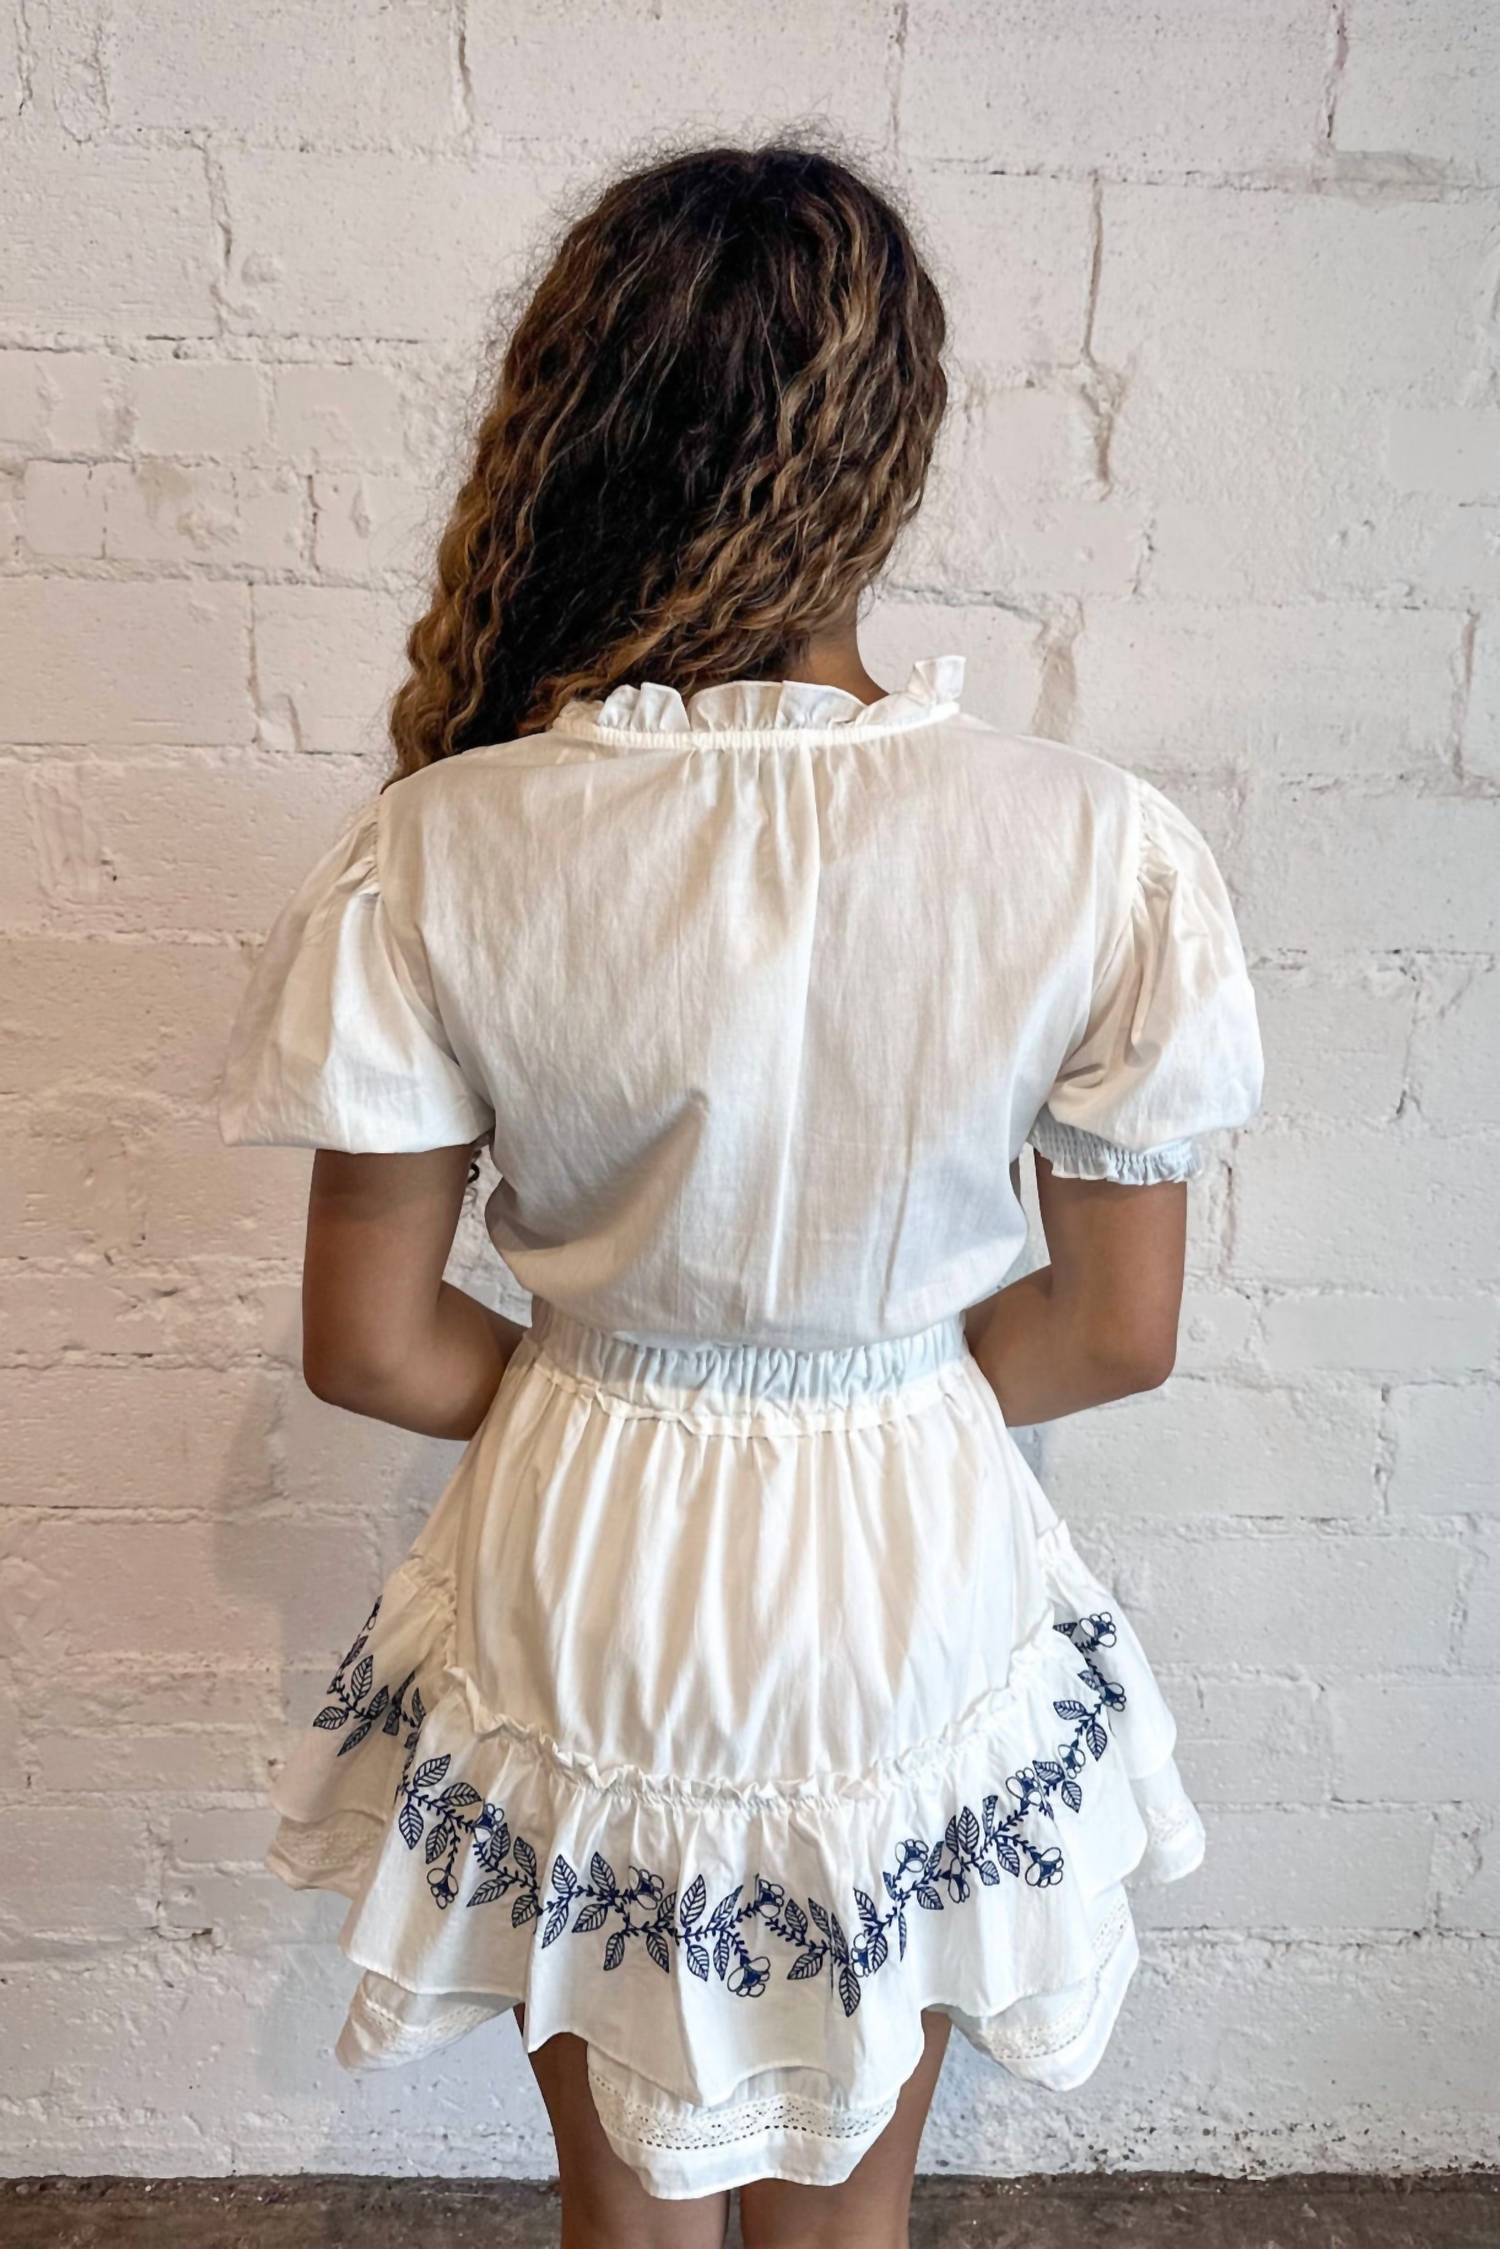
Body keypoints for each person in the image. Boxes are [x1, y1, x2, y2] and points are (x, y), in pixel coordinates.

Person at [218, 137, 1263, 2247]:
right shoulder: (1091, 844)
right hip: (905, 1557)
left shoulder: (448, 842)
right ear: (899, 449)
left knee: (629, 2219)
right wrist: (862, 1392)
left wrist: (627, 1392)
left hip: (586, 1543)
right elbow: (1117, 1327)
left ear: (584, 424)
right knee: (844, 2220)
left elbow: (374, 1344)